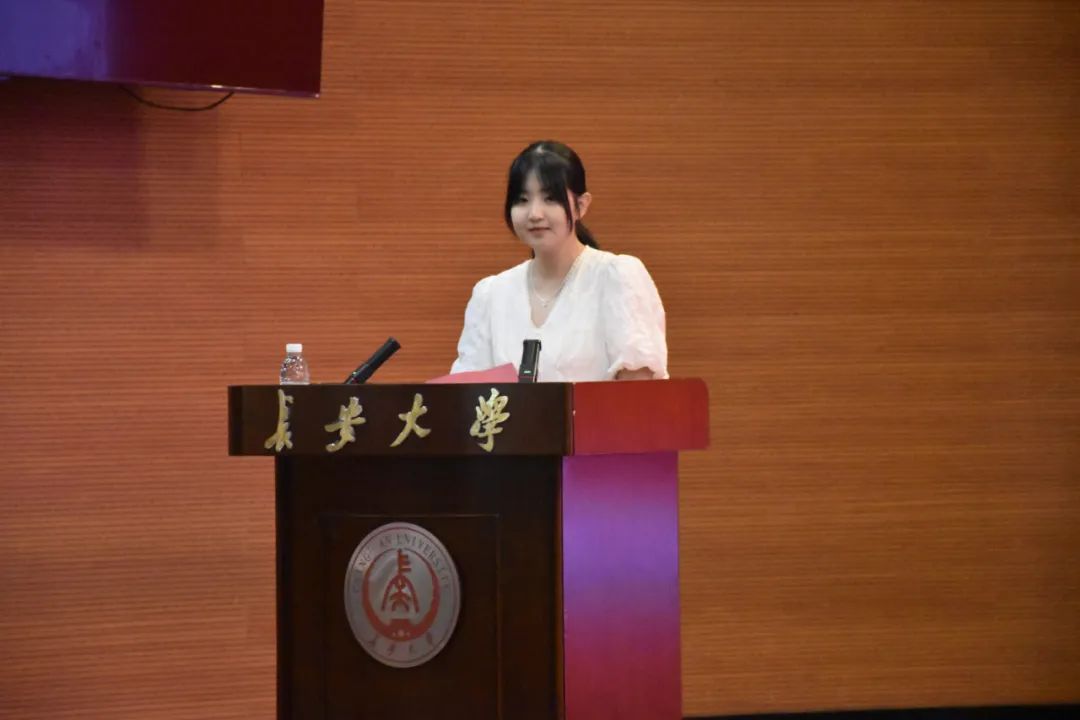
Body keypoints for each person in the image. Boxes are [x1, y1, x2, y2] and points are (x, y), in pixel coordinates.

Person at [450, 140, 668, 382]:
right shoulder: (490, 294)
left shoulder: (617, 277)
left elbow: (639, 391)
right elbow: (466, 393)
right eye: (522, 200)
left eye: (550, 199)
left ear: (581, 206)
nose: (534, 214)